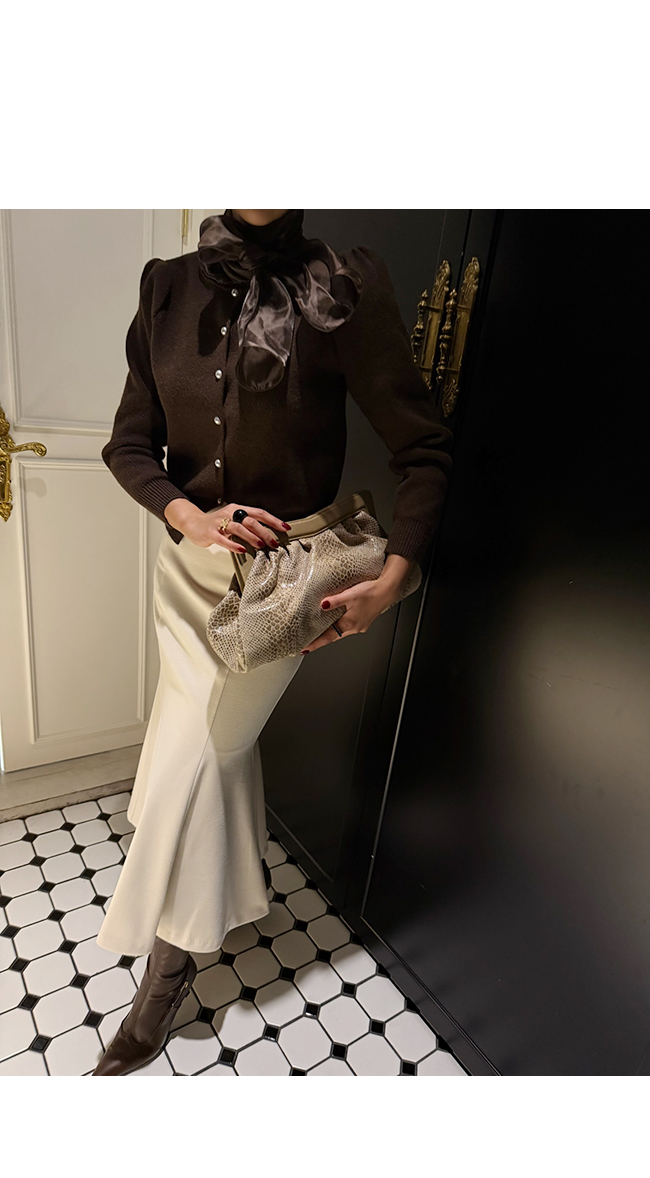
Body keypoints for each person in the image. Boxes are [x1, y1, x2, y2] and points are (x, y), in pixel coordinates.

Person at [91, 209, 453, 1075]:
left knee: (197, 761)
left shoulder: (344, 286)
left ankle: (166, 973)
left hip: (281, 594)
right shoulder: (165, 286)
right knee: (208, 753)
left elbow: (425, 450)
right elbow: (128, 444)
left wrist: (394, 578)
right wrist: (187, 515)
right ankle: (236, 886)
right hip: (185, 578)